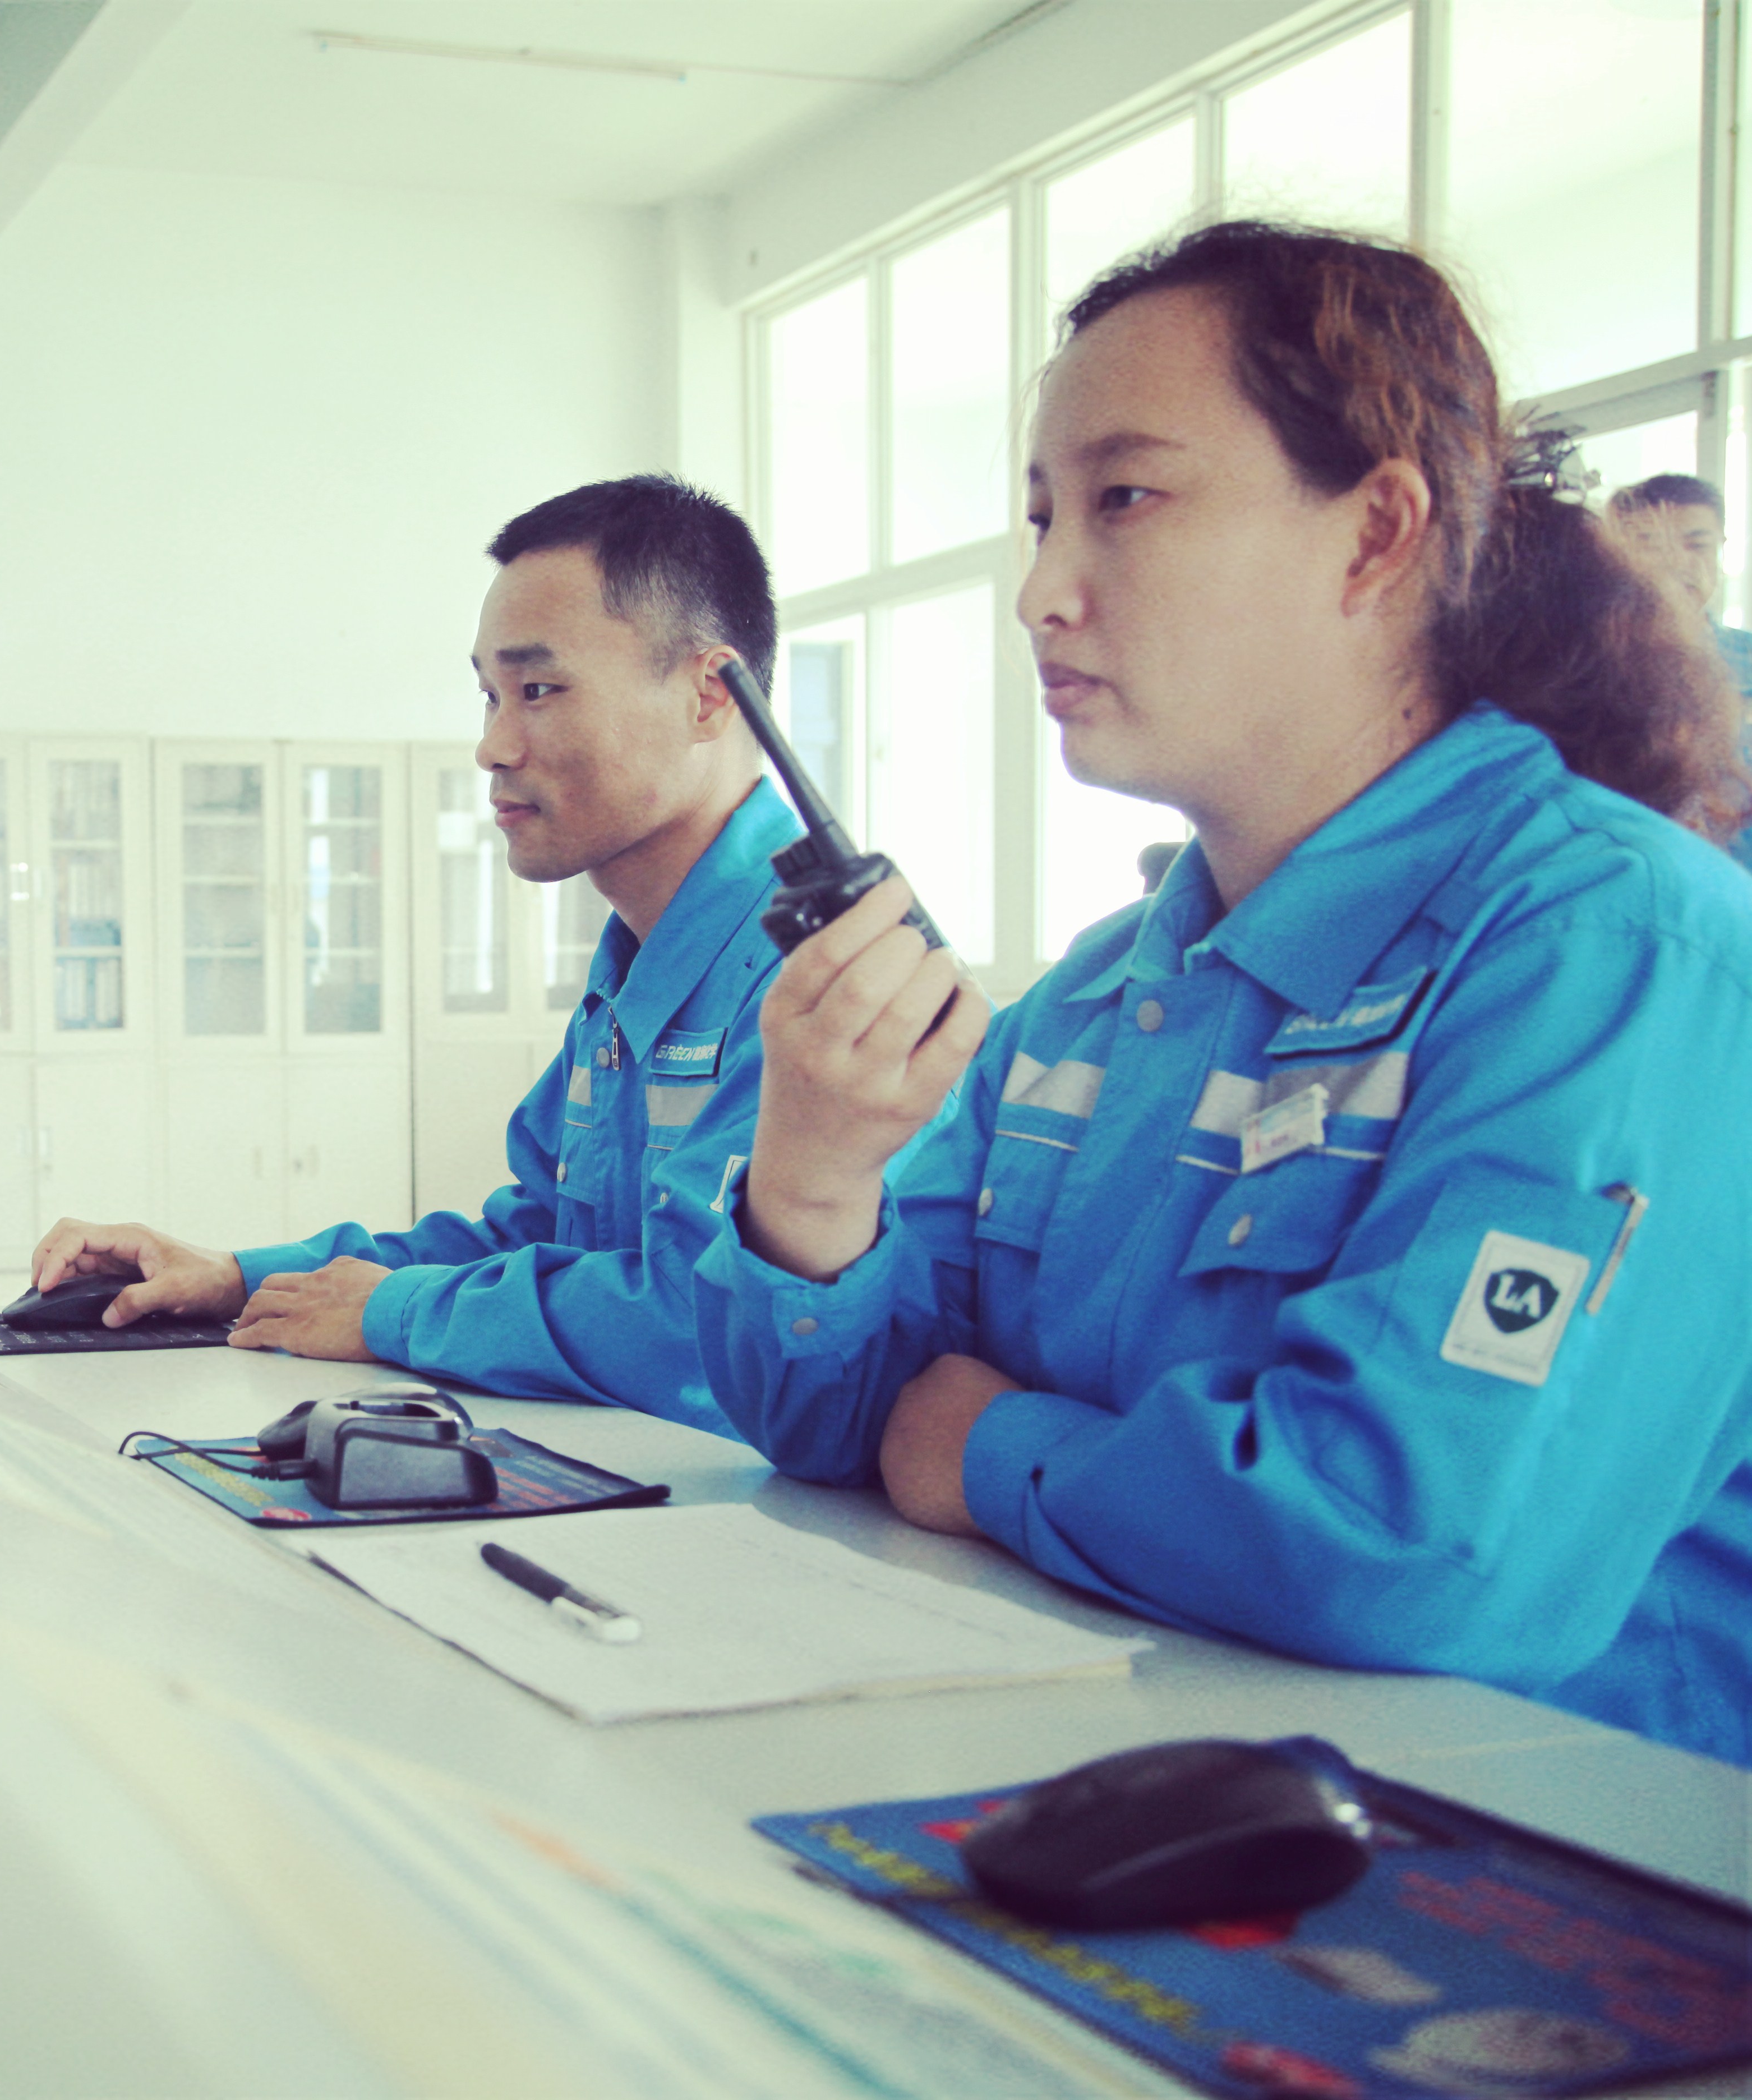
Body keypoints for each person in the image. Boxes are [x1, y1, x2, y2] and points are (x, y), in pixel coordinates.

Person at [697, 220, 1752, 1766]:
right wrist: (810, 1179)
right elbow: (835, 1419)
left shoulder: (1614, 951)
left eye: (1124, 499)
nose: (1040, 591)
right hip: (1133, 1767)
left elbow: (1405, 1541)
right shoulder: (1099, 993)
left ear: (1375, 533)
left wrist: (986, 1444)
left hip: (1539, 1833)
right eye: (1041, 516)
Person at [29, 475, 799, 1434]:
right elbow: (538, 1236)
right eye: (489, 696)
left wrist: (391, 1312)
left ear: (708, 694)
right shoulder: (637, 965)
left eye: (538, 690)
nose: (492, 745)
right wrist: (235, 1278)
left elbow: (706, 1321)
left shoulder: (822, 977)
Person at [1611, 471, 1752, 875]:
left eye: (1697, 545)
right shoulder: (1588, 672)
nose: (1677, 564)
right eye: (1651, 546)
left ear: (1722, 549)